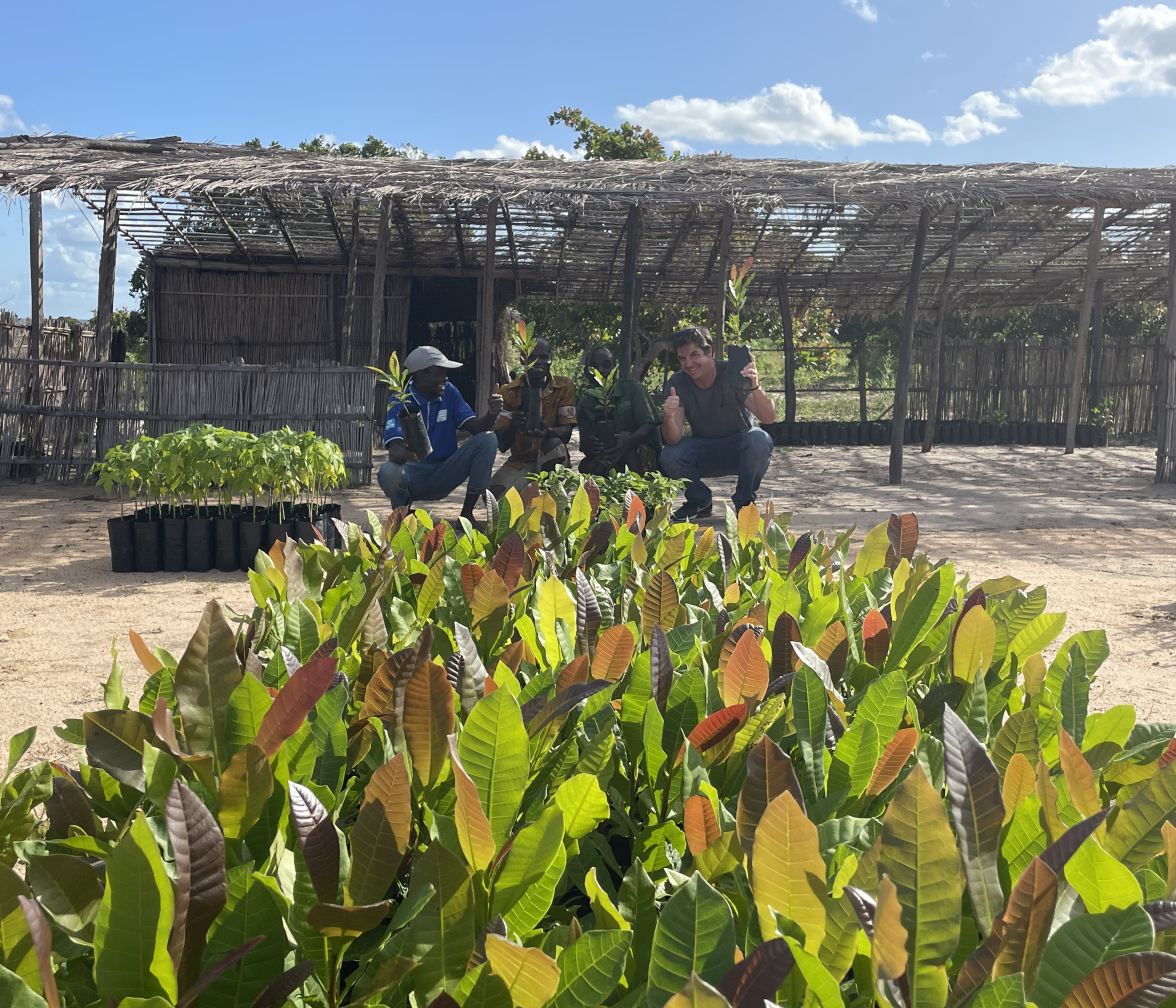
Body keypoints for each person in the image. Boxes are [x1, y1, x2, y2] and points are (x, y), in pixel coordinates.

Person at [660, 326, 776, 521]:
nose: (689, 364)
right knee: (670, 454)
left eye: (694, 355)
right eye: (682, 358)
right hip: (703, 450)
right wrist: (669, 416)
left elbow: (769, 418)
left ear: (709, 351)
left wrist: (755, 385)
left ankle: (745, 503)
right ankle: (699, 500)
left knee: (759, 438)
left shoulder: (732, 374)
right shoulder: (678, 382)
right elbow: (673, 438)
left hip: (740, 449)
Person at [378, 345, 503, 524]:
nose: (445, 378)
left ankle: (466, 514)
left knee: (488, 438)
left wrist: (492, 414)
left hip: (445, 471)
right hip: (414, 473)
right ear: (420, 375)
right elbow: (395, 450)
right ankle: (402, 513)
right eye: (439, 373)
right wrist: (404, 454)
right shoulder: (399, 400)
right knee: (388, 472)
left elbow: (476, 428)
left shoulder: (450, 392)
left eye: (445, 373)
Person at [491, 337, 576, 494]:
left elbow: (566, 433)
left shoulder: (564, 386)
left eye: (544, 357)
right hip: (520, 461)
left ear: (551, 359)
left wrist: (547, 432)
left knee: (553, 443)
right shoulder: (508, 391)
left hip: (550, 456)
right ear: (523, 359)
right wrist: (514, 424)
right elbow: (502, 445)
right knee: (497, 495)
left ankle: (551, 497)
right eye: (531, 357)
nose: (538, 362)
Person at [576, 346, 661, 476]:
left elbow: (650, 427)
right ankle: (605, 494)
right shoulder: (585, 405)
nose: (601, 371)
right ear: (586, 373)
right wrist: (592, 445)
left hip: (640, 454)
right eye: (593, 367)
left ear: (614, 369)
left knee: (628, 452)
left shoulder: (633, 389)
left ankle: (636, 492)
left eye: (607, 365)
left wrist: (630, 439)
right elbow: (585, 446)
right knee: (587, 467)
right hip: (608, 455)